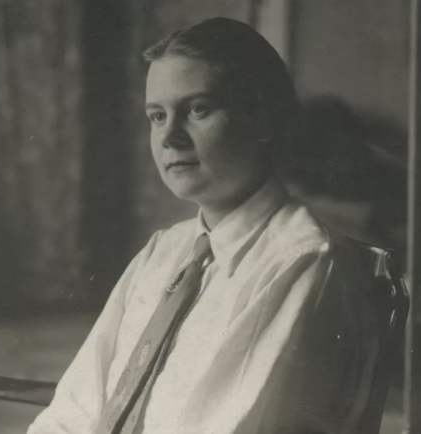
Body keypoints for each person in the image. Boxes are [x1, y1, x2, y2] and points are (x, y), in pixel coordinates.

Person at [28, 17, 378, 434]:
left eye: (197, 109)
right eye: (157, 116)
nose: (169, 137)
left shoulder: (299, 261)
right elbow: (76, 404)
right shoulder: (166, 249)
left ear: (263, 120)